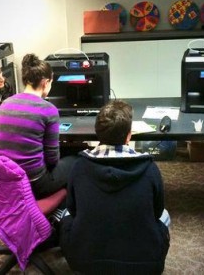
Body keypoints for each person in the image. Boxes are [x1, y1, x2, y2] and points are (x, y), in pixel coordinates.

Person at [59, 100, 170, 275]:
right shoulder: (150, 169)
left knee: (66, 213)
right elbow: (157, 212)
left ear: (98, 133)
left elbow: (73, 209)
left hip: (83, 262)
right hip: (145, 265)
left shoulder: (78, 167)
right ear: (128, 136)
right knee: (165, 215)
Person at [0, 53, 78, 199]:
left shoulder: (5, 104)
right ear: (45, 82)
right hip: (34, 183)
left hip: (5, 178)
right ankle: (65, 209)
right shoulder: (48, 109)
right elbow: (52, 160)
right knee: (77, 160)